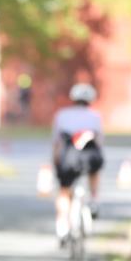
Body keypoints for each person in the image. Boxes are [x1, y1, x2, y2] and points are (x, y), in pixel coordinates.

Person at [51, 83, 104, 241]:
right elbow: (100, 142)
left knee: (64, 190)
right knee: (94, 172)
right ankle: (94, 199)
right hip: (90, 156)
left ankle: (62, 225)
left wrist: (56, 162)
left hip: (68, 157)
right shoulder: (95, 116)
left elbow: (56, 143)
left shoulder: (62, 115)